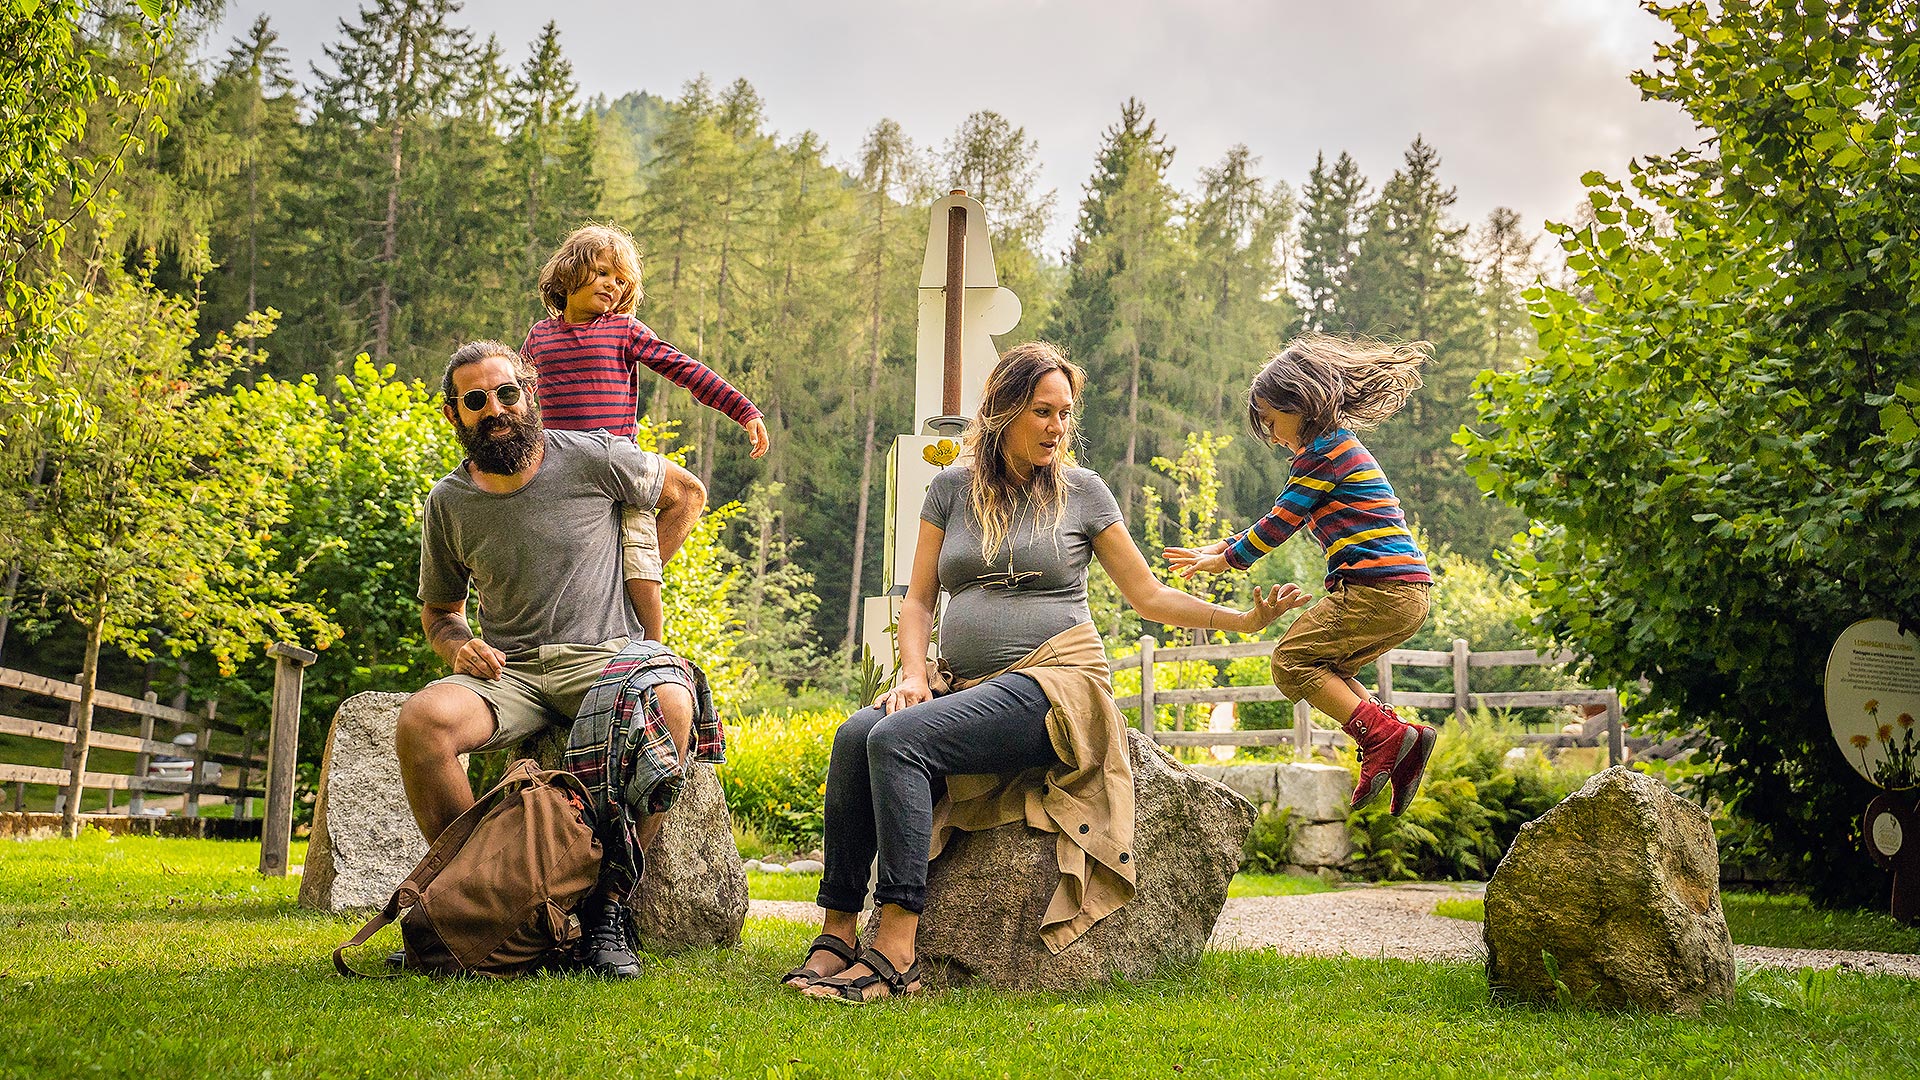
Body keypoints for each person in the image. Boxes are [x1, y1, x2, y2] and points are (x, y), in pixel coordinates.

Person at [784, 342, 1307, 1003]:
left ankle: (896, 945)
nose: (1057, 428)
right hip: (966, 684)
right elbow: (917, 600)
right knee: (858, 734)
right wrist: (912, 674)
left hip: (1056, 684)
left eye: (1065, 414)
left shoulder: (1084, 494)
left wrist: (1242, 622)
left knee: (898, 740)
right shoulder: (950, 490)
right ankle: (835, 931)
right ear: (1003, 410)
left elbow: (1147, 596)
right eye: (1043, 412)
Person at [394, 340, 718, 978]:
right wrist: (460, 645)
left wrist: (641, 578)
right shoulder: (449, 502)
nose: (496, 409)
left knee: (672, 704)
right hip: (509, 674)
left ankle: (608, 912)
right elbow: (440, 613)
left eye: (507, 393)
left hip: (607, 658)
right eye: (476, 400)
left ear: (529, 394)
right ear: (453, 415)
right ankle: (486, 897)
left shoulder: (592, 457)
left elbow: (686, 493)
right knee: (421, 722)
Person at [1166, 333, 1436, 817]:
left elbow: (1279, 522)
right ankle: (1402, 743)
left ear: (1302, 401)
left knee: (1290, 661)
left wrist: (1230, 559)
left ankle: (1385, 736)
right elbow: (1281, 516)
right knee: (1328, 668)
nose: (1270, 435)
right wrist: (1224, 547)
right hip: (1405, 591)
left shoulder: (1323, 454)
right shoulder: (1339, 449)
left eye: (1271, 421)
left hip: (1378, 589)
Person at [523, 223, 770, 643]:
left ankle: (650, 651)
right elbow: (521, 401)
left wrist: (743, 409)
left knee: (640, 563)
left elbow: (685, 369)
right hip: (562, 468)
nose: (612, 286)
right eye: (602, 273)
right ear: (568, 274)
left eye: (621, 281)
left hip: (620, 470)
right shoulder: (540, 336)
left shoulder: (623, 331)